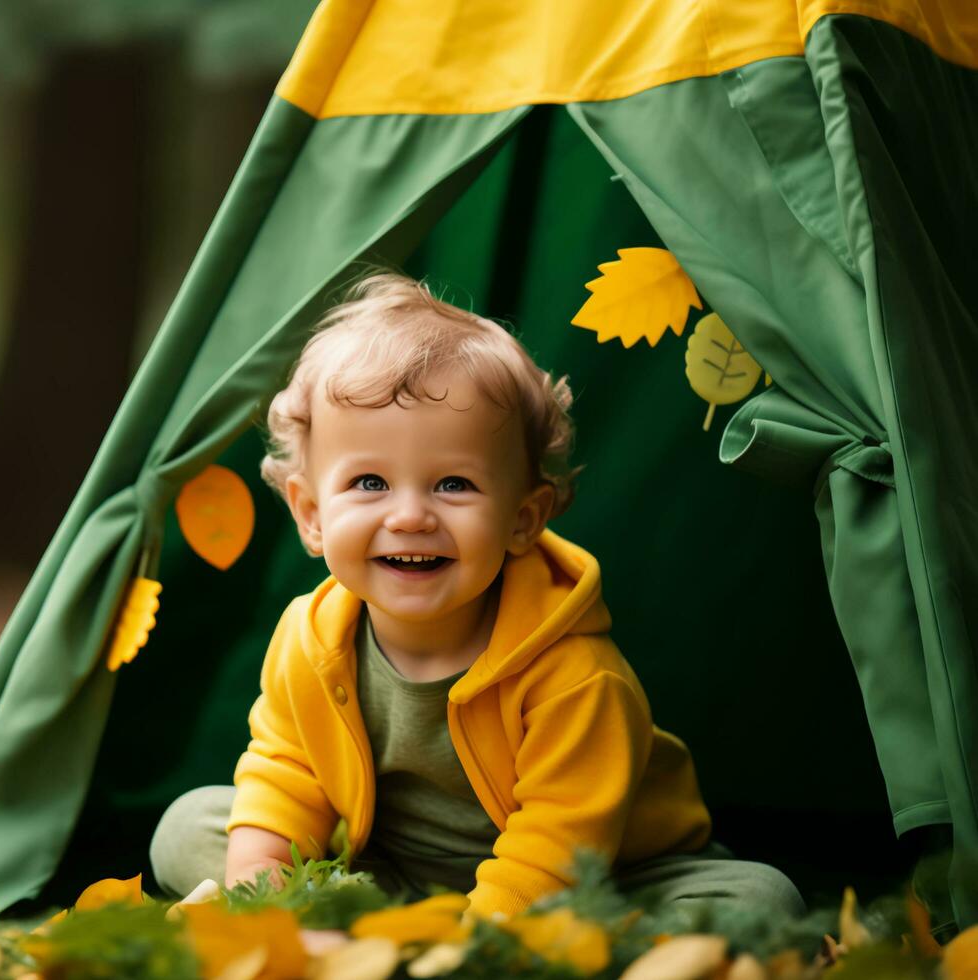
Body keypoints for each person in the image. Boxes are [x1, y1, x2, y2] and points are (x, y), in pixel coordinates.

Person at [150, 272, 804, 919]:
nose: (409, 517)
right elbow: (286, 776)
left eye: (454, 485)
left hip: (592, 872)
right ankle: (373, 916)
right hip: (394, 861)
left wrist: (473, 949)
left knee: (762, 902)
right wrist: (263, 901)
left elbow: (559, 841)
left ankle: (436, 934)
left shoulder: (574, 676)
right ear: (311, 514)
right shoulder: (310, 637)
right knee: (188, 828)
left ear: (523, 519)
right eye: (371, 483)